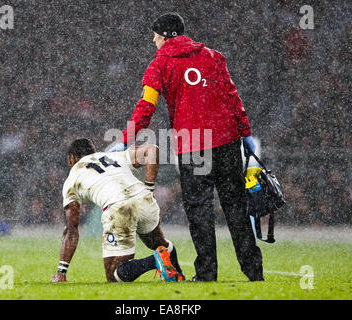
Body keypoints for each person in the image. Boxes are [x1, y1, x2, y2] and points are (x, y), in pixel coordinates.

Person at [108, 13, 263, 281]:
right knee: (236, 208)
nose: (153, 40)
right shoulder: (213, 57)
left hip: (194, 147)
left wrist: (126, 138)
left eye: (155, 36)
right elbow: (232, 96)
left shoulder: (159, 65)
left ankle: (206, 274)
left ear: (166, 36)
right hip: (227, 141)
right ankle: (254, 272)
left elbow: (146, 106)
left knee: (199, 211)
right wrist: (245, 134)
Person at [51, 138, 185, 283]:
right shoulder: (113, 156)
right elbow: (152, 150)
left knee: (114, 275)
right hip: (144, 198)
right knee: (159, 243)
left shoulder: (71, 179)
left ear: (72, 158)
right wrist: (150, 188)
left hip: (119, 208)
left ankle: (154, 261)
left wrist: (61, 271)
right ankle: (178, 275)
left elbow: (71, 228)